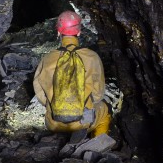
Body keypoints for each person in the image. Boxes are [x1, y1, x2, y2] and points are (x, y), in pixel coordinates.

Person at [33, 10, 111, 139]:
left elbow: (40, 95)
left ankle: (60, 133)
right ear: (79, 32)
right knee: (104, 109)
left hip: (53, 122)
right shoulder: (92, 57)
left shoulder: (48, 58)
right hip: (84, 121)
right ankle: (97, 146)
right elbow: (98, 95)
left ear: (58, 32)